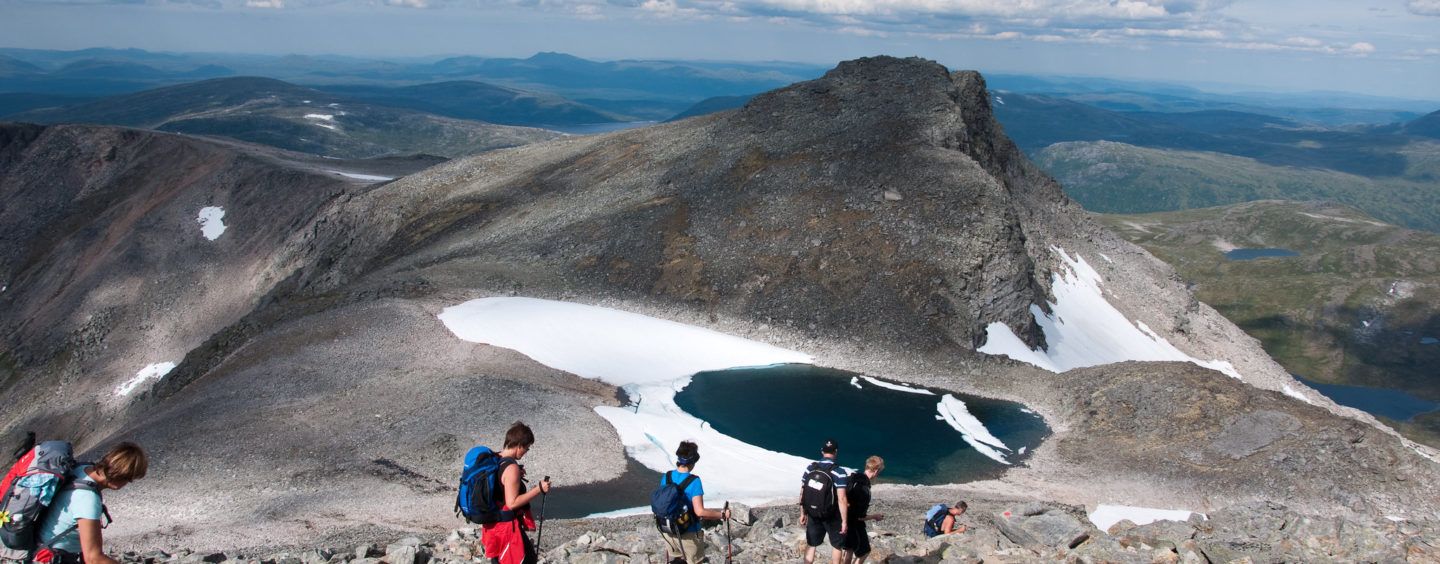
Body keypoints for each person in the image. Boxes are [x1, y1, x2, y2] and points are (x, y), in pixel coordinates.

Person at [36, 441, 148, 564]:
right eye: (129, 478)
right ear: (122, 475)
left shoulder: (82, 470)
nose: (129, 482)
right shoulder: (87, 499)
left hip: (42, 549)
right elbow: (93, 558)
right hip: (53, 557)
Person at [480, 422, 552, 564]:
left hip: (492, 525)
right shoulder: (511, 467)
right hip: (506, 528)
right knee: (526, 559)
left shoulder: (496, 459)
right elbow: (512, 503)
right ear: (519, 445)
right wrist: (539, 488)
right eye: (526, 448)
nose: (525, 451)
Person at [658, 441, 730, 564]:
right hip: (689, 532)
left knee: (678, 559)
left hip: (669, 530)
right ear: (693, 461)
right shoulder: (694, 481)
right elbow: (700, 512)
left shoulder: (667, 477)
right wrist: (723, 515)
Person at [799, 439, 849, 564]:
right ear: (836, 452)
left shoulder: (811, 468)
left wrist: (802, 513)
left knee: (811, 543)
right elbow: (842, 499)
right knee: (836, 545)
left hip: (813, 512)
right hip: (832, 515)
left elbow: (802, 492)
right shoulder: (839, 472)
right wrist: (844, 521)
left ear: (822, 451)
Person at [840, 456, 884, 564]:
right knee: (864, 552)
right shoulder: (864, 488)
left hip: (843, 520)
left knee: (848, 549)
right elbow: (861, 516)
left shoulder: (852, 478)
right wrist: (875, 516)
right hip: (855, 524)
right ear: (876, 471)